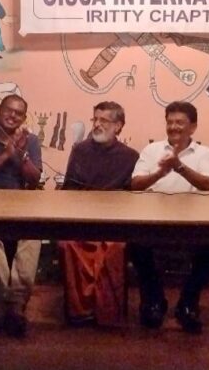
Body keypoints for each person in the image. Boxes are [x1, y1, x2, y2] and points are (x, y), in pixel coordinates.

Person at [128, 101, 209, 334]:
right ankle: (154, 301)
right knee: (135, 244)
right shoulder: (152, 150)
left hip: (192, 221)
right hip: (153, 220)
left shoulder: (203, 152)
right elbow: (135, 184)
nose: (173, 127)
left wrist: (179, 166)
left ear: (193, 127)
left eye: (180, 122)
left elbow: (207, 184)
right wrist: (160, 173)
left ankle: (188, 302)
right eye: (170, 122)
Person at [58, 101, 139, 326]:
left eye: (104, 120)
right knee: (68, 245)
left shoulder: (131, 156)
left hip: (114, 221)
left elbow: (132, 197)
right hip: (81, 219)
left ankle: (107, 310)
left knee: (114, 248)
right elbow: (69, 189)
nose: (97, 124)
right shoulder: (80, 150)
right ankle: (80, 310)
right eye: (95, 119)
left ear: (118, 126)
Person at [0, 95, 42, 337]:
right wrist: (5, 154)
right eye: (8, 110)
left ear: (24, 118)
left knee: (33, 236)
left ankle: (14, 302)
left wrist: (20, 154)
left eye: (19, 113)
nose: (13, 116)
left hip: (19, 204)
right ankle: (10, 304)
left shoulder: (31, 140)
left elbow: (34, 179)